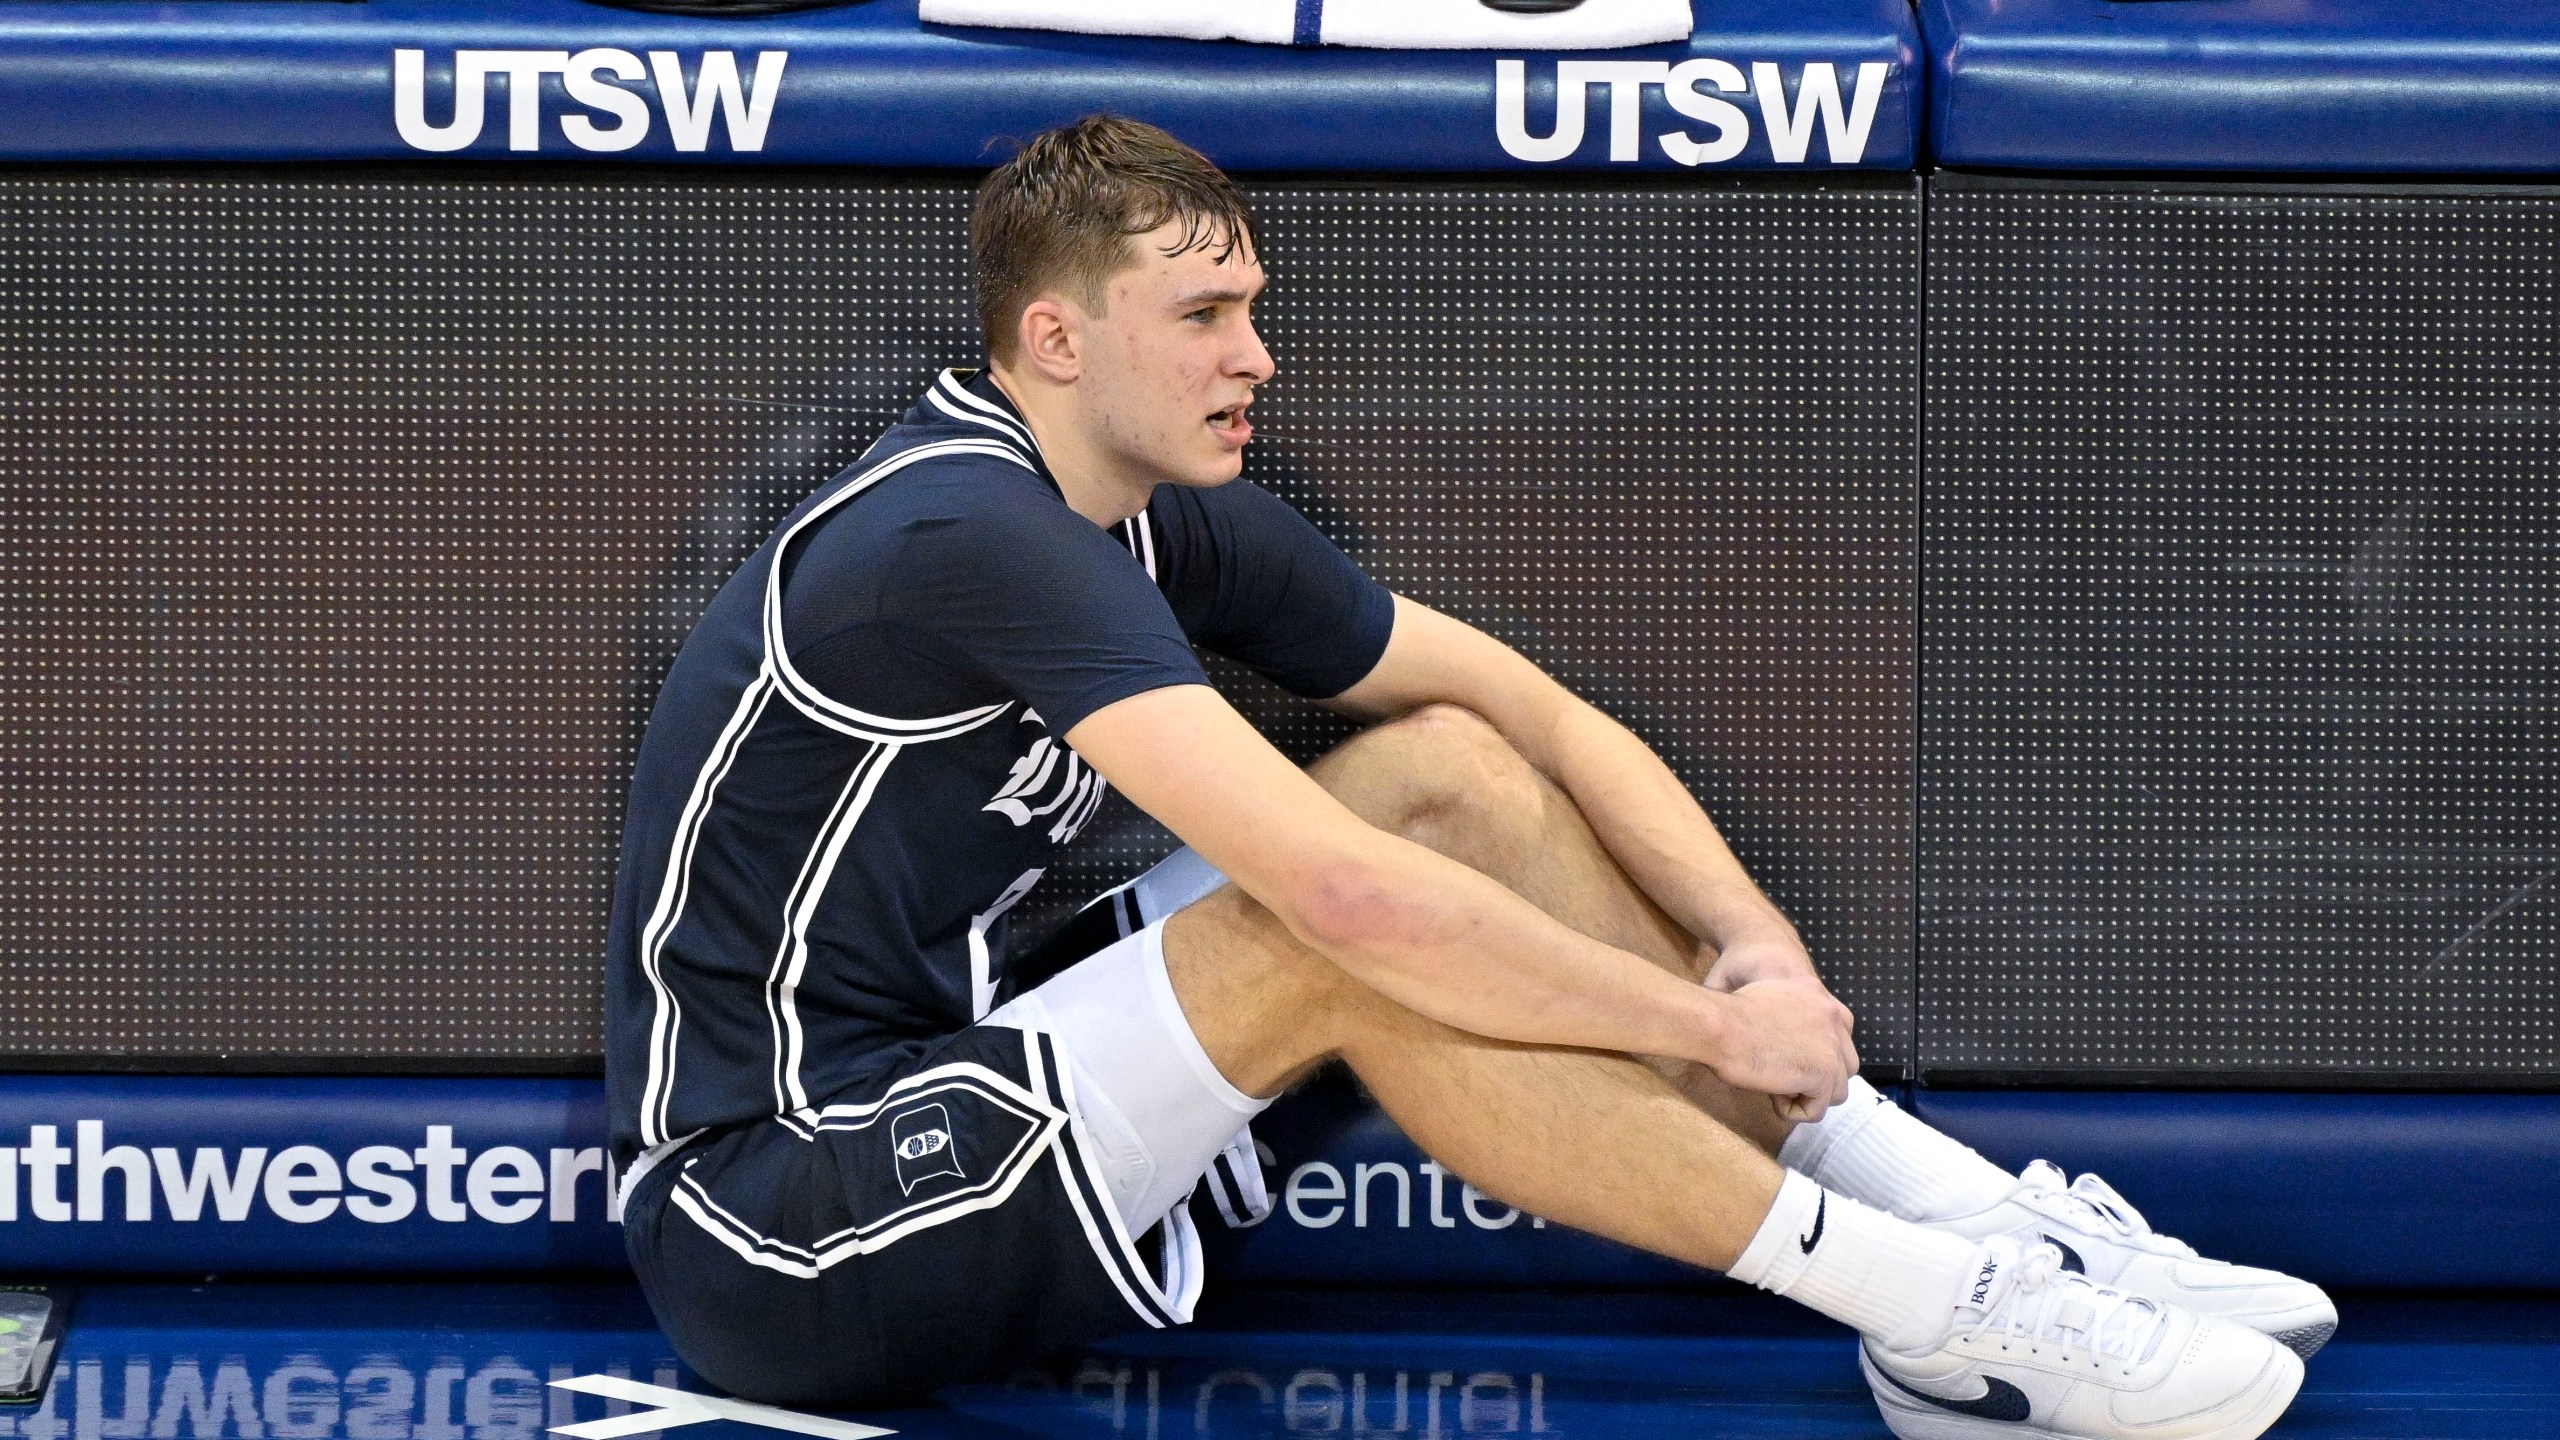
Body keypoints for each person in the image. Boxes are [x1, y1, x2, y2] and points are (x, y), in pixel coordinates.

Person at [603, 114, 2331, 1439]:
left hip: (960, 1060)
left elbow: (1535, 713)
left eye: (1254, 309)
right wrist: (1709, 1036)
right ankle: (1939, 1314)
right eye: (1202, 315)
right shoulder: (957, 533)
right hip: (780, 1216)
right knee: (1343, 922)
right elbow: (1345, 896)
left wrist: (1761, 957)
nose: (1256, 355)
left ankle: (1958, 1216)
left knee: (1445, 768)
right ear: (1055, 341)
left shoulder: (1143, 516)